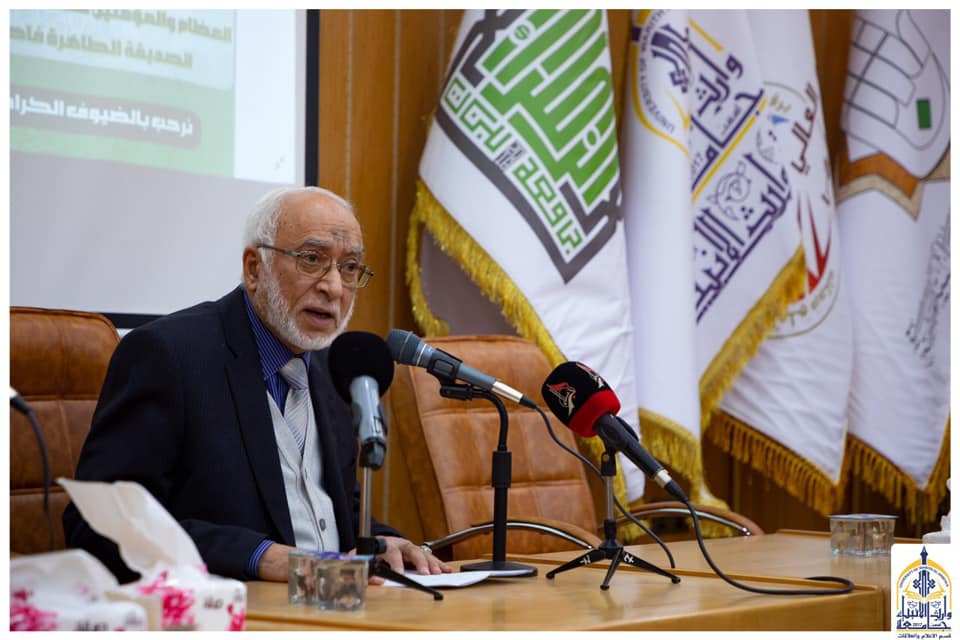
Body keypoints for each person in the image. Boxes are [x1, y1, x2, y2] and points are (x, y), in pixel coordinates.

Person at [63, 186, 450, 583]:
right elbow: (101, 525)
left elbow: (327, 509)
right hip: (238, 606)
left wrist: (381, 542)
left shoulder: (334, 367)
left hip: (339, 603)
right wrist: (259, 557)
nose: (334, 287)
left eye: (350, 267)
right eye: (312, 259)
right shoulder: (169, 356)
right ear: (254, 269)